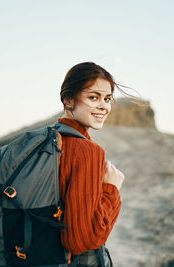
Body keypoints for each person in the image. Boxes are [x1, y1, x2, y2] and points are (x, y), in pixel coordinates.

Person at [57, 62, 126, 266]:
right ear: (69, 100)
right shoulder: (86, 151)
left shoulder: (51, 139)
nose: (104, 106)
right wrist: (111, 188)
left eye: (107, 99)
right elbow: (82, 241)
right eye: (93, 97)